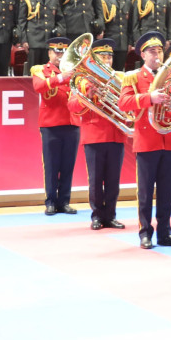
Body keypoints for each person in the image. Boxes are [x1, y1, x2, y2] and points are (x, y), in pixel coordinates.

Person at [119, 32, 171, 249]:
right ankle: (145, 233)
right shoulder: (134, 77)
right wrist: (149, 98)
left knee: (166, 191)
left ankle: (165, 232)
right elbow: (124, 103)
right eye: (152, 52)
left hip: (170, 140)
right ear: (143, 55)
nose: (157, 55)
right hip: (147, 140)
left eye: (159, 51)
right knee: (145, 191)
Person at [70, 39, 127, 230]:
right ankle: (96, 216)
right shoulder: (83, 80)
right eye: (103, 57)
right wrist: (87, 96)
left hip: (116, 134)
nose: (107, 60)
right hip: (94, 135)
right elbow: (72, 106)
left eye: (109, 57)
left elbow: (128, 105)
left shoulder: (120, 78)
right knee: (95, 180)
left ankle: (110, 215)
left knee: (113, 180)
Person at [32, 38, 78, 215]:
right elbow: (39, 86)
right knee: (51, 165)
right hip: (51, 124)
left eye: (63, 52)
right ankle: (50, 201)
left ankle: (64, 201)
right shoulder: (41, 70)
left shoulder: (75, 70)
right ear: (49, 53)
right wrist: (60, 77)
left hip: (72, 122)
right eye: (57, 52)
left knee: (68, 165)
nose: (60, 56)